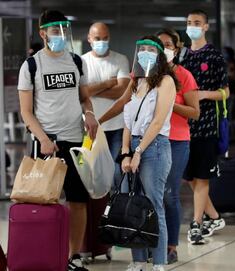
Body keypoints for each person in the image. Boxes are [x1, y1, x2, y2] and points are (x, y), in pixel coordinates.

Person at [17, 10, 98, 271]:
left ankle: (73, 256)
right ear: (43, 33)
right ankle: (43, 252)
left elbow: (84, 97)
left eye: (64, 29)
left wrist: (89, 114)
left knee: (77, 199)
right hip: (47, 142)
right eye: (55, 30)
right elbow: (26, 111)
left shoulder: (75, 61)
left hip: (75, 140)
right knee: (42, 199)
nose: (61, 35)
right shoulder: (31, 66)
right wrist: (42, 139)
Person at [119, 36, 177, 271]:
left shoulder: (165, 81)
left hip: (154, 147)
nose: (144, 53)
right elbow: (128, 122)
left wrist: (138, 152)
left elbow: (157, 121)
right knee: (133, 205)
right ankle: (138, 260)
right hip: (133, 146)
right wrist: (125, 152)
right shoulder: (137, 82)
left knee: (154, 205)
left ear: (159, 54)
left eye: (150, 49)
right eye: (141, 49)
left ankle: (159, 262)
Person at [181, 9, 229, 245]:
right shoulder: (181, 56)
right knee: (188, 177)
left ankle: (196, 224)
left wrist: (202, 95)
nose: (192, 26)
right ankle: (215, 216)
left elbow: (225, 92)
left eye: (197, 23)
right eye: (189, 23)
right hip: (182, 126)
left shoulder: (215, 57)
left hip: (207, 126)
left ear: (206, 27)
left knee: (202, 178)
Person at [156, 29, 200, 264]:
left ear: (176, 48)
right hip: (150, 140)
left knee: (169, 193)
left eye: (168, 45)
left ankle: (171, 246)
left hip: (176, 141)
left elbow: (194, 112)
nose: (164, 49)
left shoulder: (184, 76)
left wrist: (170, 103)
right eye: (159, 44)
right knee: (152, 194)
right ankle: (152, 241)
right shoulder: (145, 74)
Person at [81, 22, 130, 189]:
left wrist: (92, 89)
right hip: (92, 127)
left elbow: (122, 91)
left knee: (117, 171)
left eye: (105, 38)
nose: (101, 42)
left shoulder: (120, 59)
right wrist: (108, 83)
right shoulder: (82, 62)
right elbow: (81, 93)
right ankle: (100, 210)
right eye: (97, 38)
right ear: (89, 39)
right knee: (94, 171)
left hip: (117, 126)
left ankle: (117, 207)